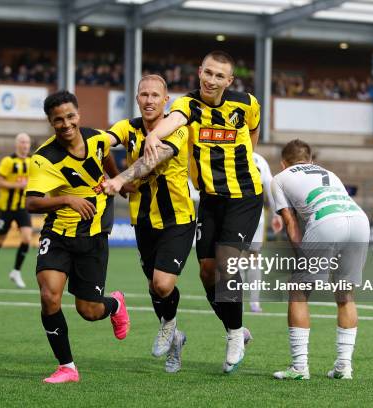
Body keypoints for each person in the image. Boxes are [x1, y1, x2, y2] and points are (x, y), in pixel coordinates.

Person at [143, 50, 262, 373]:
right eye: (208, 73)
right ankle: (237, 330)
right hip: (210, 200)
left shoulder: (246, 103)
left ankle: (235, 334)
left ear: (229, 80)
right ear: (199, 72)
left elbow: (253, 128)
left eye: (219, 76)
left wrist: (247, 154)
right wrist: (153, 134)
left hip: (245, 196)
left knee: (226, 264)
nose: (212, 80)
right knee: (207, 272)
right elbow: (174, 121)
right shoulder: (187, 105)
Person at [25, 90, 129, 384]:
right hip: (58, 234)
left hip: (93, 237)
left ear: (78, 115)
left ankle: (115, 305)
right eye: (58, 120)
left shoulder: (96, 138)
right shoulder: (44, 158)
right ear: (50, 122)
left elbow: (105, 155)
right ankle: (67, 367)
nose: (66, 124)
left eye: (70, 117)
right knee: (49, 298)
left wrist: (116, 180)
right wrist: (67, 200)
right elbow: (32, 203)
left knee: (89, 310)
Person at [102, 74, 194, 373]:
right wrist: (110, 170)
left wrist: (118, 179)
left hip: (177, 218)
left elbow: (150, 162)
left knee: (162, 283)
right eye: (144, 95)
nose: (149, 100)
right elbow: (102, 144)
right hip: (142, 220)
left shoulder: (179, 128)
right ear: (137, 98)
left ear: (165, 100)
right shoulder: (128, 127)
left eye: (155, 95)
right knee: (155, 288)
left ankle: (168, 325)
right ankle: (175, 339)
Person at [271, 139, 369, 380]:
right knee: (345, 293)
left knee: (298, 290)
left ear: (283, 163)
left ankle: (299, 368)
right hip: (359, 220)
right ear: (311, 160)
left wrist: (301, 259)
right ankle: (343, 367)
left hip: (327, 220)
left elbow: (291, 223)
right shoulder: (329, 173)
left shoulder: (280, 178)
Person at [0, 133, 32, 289]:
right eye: (22, 142)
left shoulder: (32, 162)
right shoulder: (8, 161)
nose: (25, 145)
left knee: (26, 238)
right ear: (17, 144)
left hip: (22, 207)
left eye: (27, 142)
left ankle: (16, 272)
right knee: (0, 240)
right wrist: (17, 185)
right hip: (6, 208)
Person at [242, 152, 283, 313]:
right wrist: (276, 213)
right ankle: (254, 302)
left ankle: (238, 301)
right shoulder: (259, 159)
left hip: (236, 214)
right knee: (253, 256)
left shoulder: (230, 151)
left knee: (237, 256)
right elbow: (270, 187)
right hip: (255, 215)